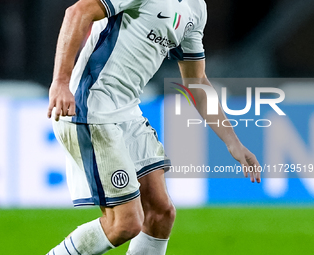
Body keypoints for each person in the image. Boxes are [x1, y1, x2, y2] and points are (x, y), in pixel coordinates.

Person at [46, 0, 261, 254]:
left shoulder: (196, 8)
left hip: (127, 112)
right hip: (91, 106)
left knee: (160, 214)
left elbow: (195, 81)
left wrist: (232, 141)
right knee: (125, 223)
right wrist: (60, 81)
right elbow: (78, 11)